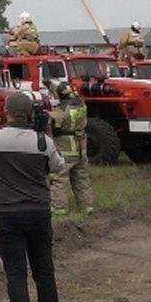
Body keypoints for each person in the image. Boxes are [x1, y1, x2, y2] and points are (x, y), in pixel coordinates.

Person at [0, 92, 66, 302]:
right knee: (44, 272)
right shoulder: (43, 142)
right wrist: (44, 132)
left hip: (7, 214)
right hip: (38, 213)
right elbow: (59, 167)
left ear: (6, 111)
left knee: (16, 274)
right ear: (30, 114)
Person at [48, 80, 92, 217]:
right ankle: (87, 207)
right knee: (81, 178)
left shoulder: (61, 109)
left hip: (66, 147)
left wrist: (48, 114)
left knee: (59, 178)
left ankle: (59, 210)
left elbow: (54, 125)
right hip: (81, 147)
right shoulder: (81, 104)